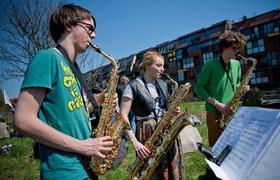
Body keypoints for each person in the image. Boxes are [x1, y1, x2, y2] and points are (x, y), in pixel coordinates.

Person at [14, 4, 114, 180]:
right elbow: (23, 120)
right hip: (64, 172)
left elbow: (65, 114)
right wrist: (82, 146)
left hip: (86, 168)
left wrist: (94, 103)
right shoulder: (47, 58)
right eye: (89, 28)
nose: (94, 35)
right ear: (69, 25)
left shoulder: (72, 67)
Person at [120, 51, 184, 179]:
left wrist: (173, 110)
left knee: (173, 168)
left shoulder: (163, 83)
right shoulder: (132, 86)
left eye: (163, 66)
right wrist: (135, 142)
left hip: (166, 129)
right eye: (159, 65)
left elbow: (165, 107)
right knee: (153, 171)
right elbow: (123, 115)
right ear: (147, 65)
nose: (163, 69)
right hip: (147, 133)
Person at [194, 30, 250, 147]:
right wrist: (216, 103)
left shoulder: (236, 64)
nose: (237, 51)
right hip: (214, 111)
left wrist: (242, 88)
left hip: (231, 110)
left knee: (232, 144)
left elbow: (236, 84)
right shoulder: (210, 65)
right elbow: (198, 88)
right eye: (234, 48)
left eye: (238, 49)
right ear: (224, 47)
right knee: (216, 146)